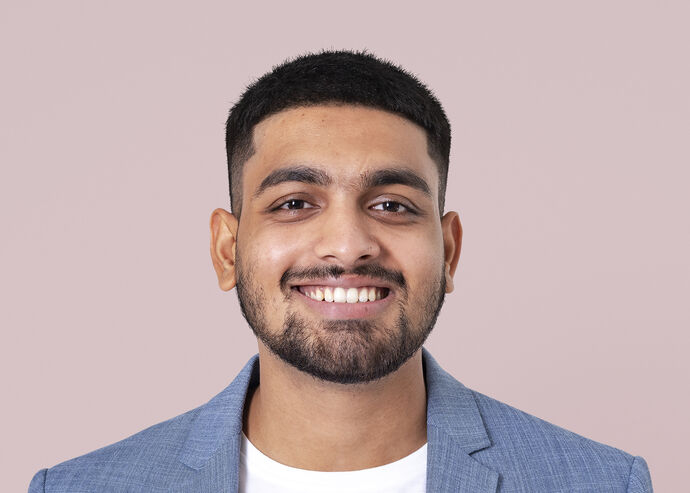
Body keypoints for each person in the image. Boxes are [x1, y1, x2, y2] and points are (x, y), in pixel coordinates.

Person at [29, 50, 653, 493]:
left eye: (392, 205)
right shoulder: (76, 488)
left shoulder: (603, 483)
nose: (348, 247)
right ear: (226, 250)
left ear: (449, 251)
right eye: (294, 203)